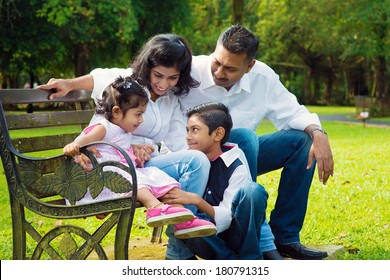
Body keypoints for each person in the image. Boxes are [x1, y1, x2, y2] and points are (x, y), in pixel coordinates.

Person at [38, 34, 213, 259]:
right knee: (196, 161)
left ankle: (183, 224)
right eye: (158, 75)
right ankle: (179, 245)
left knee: (197, 160)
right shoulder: (128, 87)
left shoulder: (170, 99)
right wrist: (69, 84)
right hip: (109, 165)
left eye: (172, 78)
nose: (163, 84)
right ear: (148, 66)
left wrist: (148, 147)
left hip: (138, 164)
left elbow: (178, 143)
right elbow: (99, 78)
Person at [175, 25, 334, 260]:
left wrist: (318, 134)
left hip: (239, 161)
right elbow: (145, 79)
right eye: (217, 62)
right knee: (244, 138)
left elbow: (292, 112)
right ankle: (261, 237)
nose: (219, 72)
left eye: (230, 68)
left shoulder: (263, 77)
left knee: (300, 142)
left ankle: (286, 237)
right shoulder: (190, 71)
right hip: (198, 163)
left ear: (249, 66)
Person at [63, 76, 217, 238]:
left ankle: (184, 218)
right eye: (138, 114)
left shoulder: (121, 129)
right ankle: (155, 207)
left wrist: (134, 148)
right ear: (116, 112)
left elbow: (115, 147)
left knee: (157, 176)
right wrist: (75, 148)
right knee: (137, 178)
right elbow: (78, 143)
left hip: (121, 174)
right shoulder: (102, 127)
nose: (141, 120)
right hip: (102, 180)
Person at [162, 102, 268, 259]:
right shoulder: (186, 161)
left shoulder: (235, 163)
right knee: (187, 221)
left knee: (253, 191)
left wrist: (196, 200)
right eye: (188, 130)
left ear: (218, 134)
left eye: (195, 130)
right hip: (203, 237)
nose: (188, 137)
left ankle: (249, 260)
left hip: (234, 234)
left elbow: (226, 216)